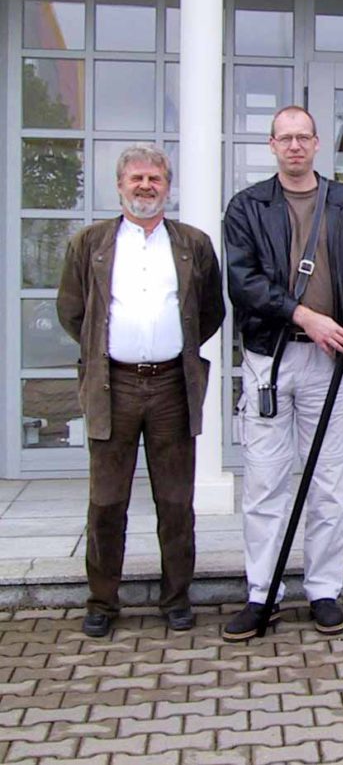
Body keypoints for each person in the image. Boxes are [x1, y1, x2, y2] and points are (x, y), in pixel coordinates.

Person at [222, 105, 343, 642]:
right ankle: (263, 594)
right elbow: (243, 283)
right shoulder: (247, 207)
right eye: (286, 138)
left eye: (304, 137)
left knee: (327, 486)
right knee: (264, 483)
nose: (295, 146)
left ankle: (324, 590)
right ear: (272, 145)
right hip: (271, 359)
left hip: (330, 361)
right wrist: (305, 316)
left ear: (317, 144)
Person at [57, 145, 225, 638]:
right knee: (107, 501)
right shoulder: (90, 243)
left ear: (168, 186)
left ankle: (176, 598)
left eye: (155, 178)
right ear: (120, 185)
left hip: (173, 384)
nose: (145, 186)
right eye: (137, 178)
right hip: (114, 385)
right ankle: (102, 602)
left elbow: (209, 311)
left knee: (176, 500)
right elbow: (73, 312)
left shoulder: (193, 244)